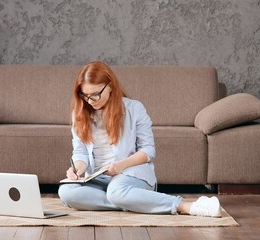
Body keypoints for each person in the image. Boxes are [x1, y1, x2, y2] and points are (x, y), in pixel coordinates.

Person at [58, 61, 221, 217]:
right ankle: (133, 201)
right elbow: (80, 152)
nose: (90, 101)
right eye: (85, 96)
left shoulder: (134, 108)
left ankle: (184, 206)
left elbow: (148, 150)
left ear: (110, 86)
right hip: (96, 179)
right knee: (65, 192)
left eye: (96, 94)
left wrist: (120, 166)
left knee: (116, 191)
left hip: (130, 174)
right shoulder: (79, 114)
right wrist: (77, 169)